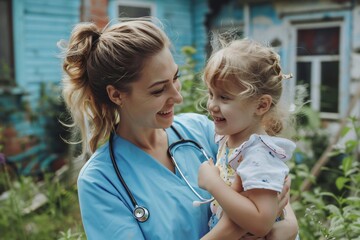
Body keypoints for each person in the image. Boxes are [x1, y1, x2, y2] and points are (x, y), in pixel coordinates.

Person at [60, 18, 298, 239]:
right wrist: (229, 231)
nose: (178, 96)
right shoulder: (100, 181)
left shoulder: (201, 131)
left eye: (175, 78)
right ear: (116, 95)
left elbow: (268, 184)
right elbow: (254, 218)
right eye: (158, 90)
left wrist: (289, 224)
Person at [198, 38, 299, 239]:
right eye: (211, 94)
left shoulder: (257, 154)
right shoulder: (230, 138)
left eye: (224, 97)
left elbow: (262, 222)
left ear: (261, 105)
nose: (212, 105)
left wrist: (213, 183)